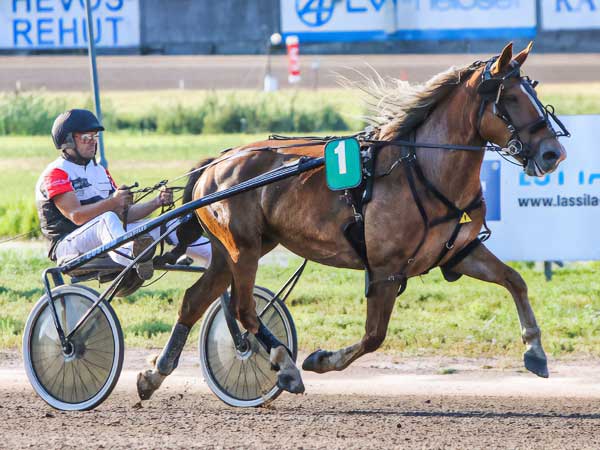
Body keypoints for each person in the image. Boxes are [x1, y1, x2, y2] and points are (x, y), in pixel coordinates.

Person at [35, 109, 211, 281]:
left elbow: (125, 214)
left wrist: (157, 202)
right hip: (68, 246)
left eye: (95, 137)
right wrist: (113, 202)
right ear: (68, 141)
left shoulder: (100, 171)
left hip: (106, 237)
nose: (93, 142)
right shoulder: (56, 172)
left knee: (167, 222)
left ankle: (218, 255)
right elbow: (77, 216)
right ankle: (137, 257)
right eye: (86, 137)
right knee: (107, 218)